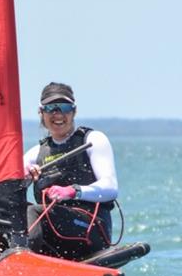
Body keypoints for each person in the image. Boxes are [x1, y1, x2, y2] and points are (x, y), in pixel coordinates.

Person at [23, 82, 118, 260]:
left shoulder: (93, 140)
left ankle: (23, 266)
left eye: (65, 108)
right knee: (9, 212)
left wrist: (73, 191)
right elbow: (7, 183)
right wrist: (22, 175)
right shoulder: (34, 154)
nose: (58, 114)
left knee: (32, 213)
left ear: (74, 111)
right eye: (51, 108)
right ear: (41, 113)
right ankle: (4, 273)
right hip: (55, 233)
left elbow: (111, 188)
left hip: (90, 228)